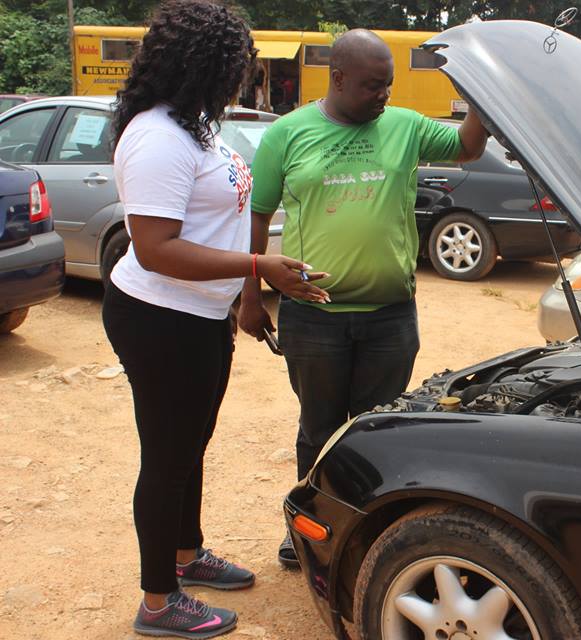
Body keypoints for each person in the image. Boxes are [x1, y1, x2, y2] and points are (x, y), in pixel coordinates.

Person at [101, 2, 329, 637]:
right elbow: (155, 249)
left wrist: (234, 294)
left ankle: (185, 553)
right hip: (159, 318)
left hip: (198, 314)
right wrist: (258, 265)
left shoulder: (194, 125)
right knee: (167, 456)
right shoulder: (157, 137)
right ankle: (158, 601)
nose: (242, 74)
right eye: (237, 63)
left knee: (190, 446)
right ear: (205, 64)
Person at [238, 28, 488, 568]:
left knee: (380, 433)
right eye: (373, 85)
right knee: (319, 429)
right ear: (338, 78)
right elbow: (257, 215)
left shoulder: (405, 126)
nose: (384, 95)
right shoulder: (287, 133)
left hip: (389, 318)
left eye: (388, 84)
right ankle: (309, 531)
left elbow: (467, 146)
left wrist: (482, 94)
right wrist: (250, 295)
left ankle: (365, 534)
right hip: (314, 318)